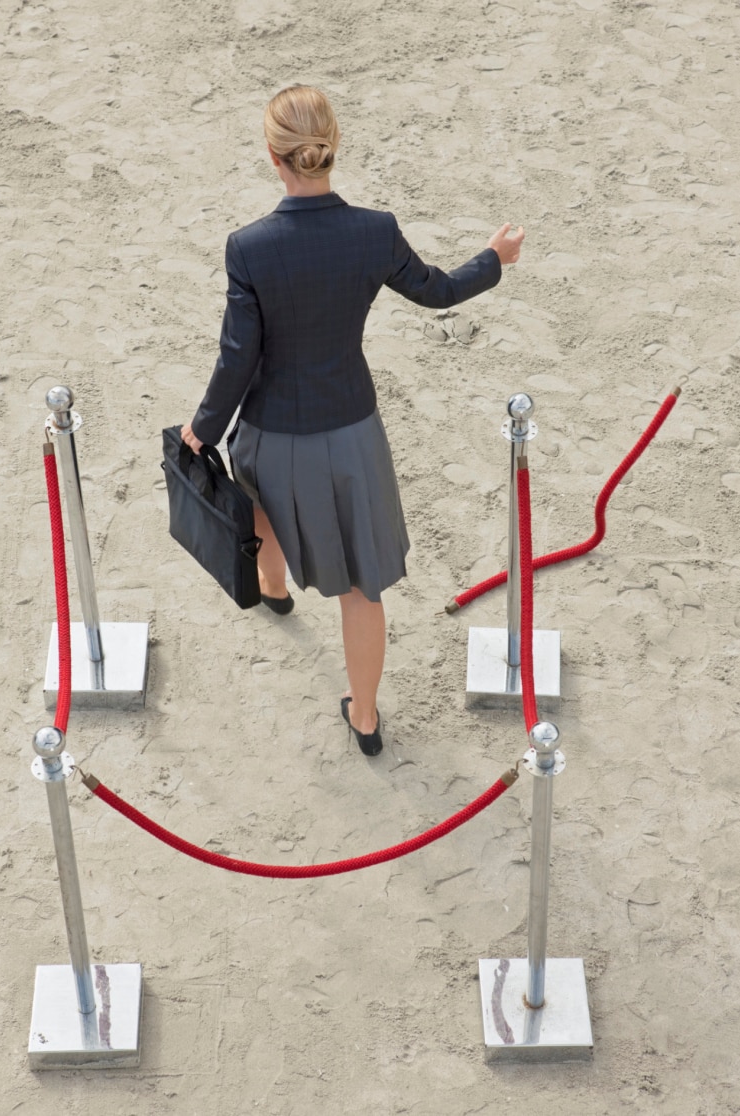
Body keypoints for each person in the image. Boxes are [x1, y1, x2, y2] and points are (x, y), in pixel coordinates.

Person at [182, 84, 524, 757]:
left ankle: (274, 591)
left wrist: (203, 428)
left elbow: (237, 358)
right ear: (331, 148)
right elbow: (439, 291)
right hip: (352, 434)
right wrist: (494, 260)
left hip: (273, 429)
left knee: (259, 506)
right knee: (364, 586)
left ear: (273, 156)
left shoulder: (248, 248)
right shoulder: (374, 231)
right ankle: (364, 719)